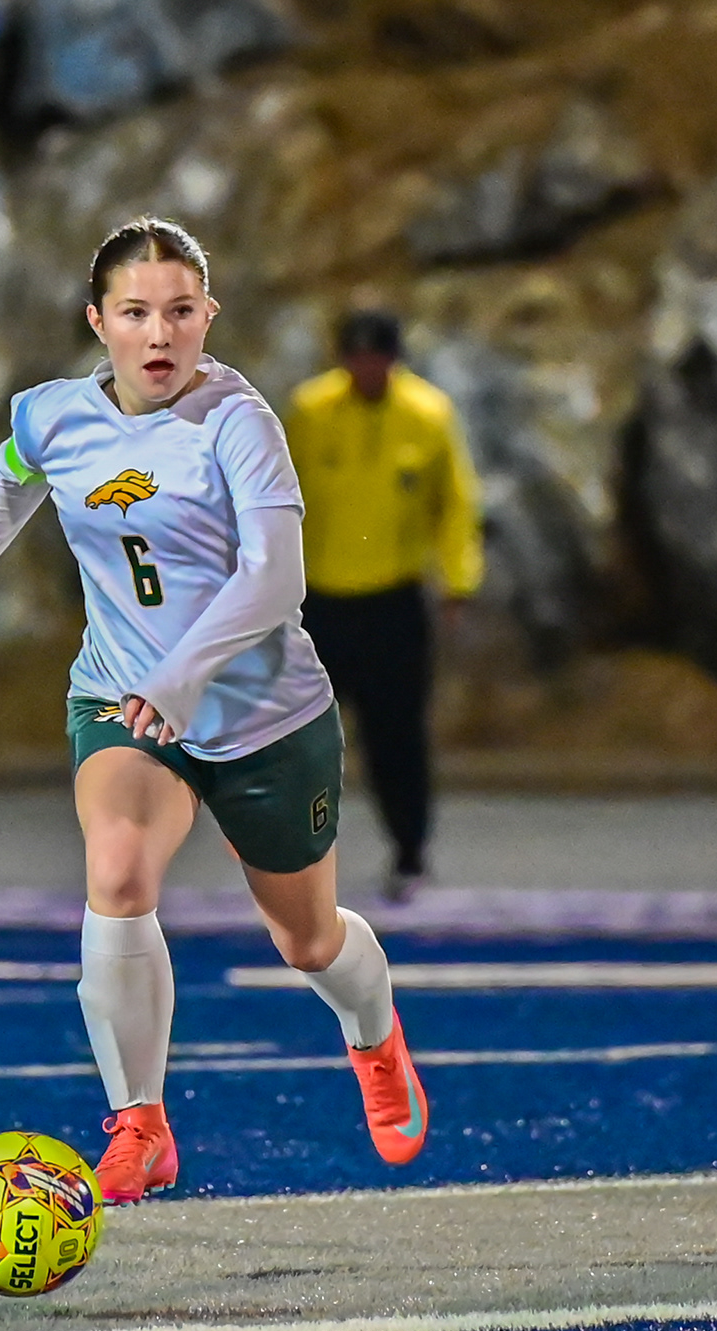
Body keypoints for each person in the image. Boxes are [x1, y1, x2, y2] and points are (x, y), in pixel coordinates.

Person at [0, 217, 430, 1205]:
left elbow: (276, 578)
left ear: (209, 317)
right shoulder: (55, 415)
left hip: (260, 718)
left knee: (307, 941)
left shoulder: (237, 422)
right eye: (137, 312)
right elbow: (9, 475)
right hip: (122, 699)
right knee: (115, 869)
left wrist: (188, 673)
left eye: (181, 312)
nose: (161, 335)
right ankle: (139, 1121)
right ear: (98, 321)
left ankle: (375, 1038)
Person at [285, 311, 485, 903]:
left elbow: (455, 503)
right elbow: (274, 495)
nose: (368, 369)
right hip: (319, 601)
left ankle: (409, 851)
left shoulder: (426, 416)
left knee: (396, 738)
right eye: (358, 357)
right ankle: (295, 856)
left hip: (393, 601)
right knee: (301, 739)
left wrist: (458, 581)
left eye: (379, 358)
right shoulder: (311, 411)